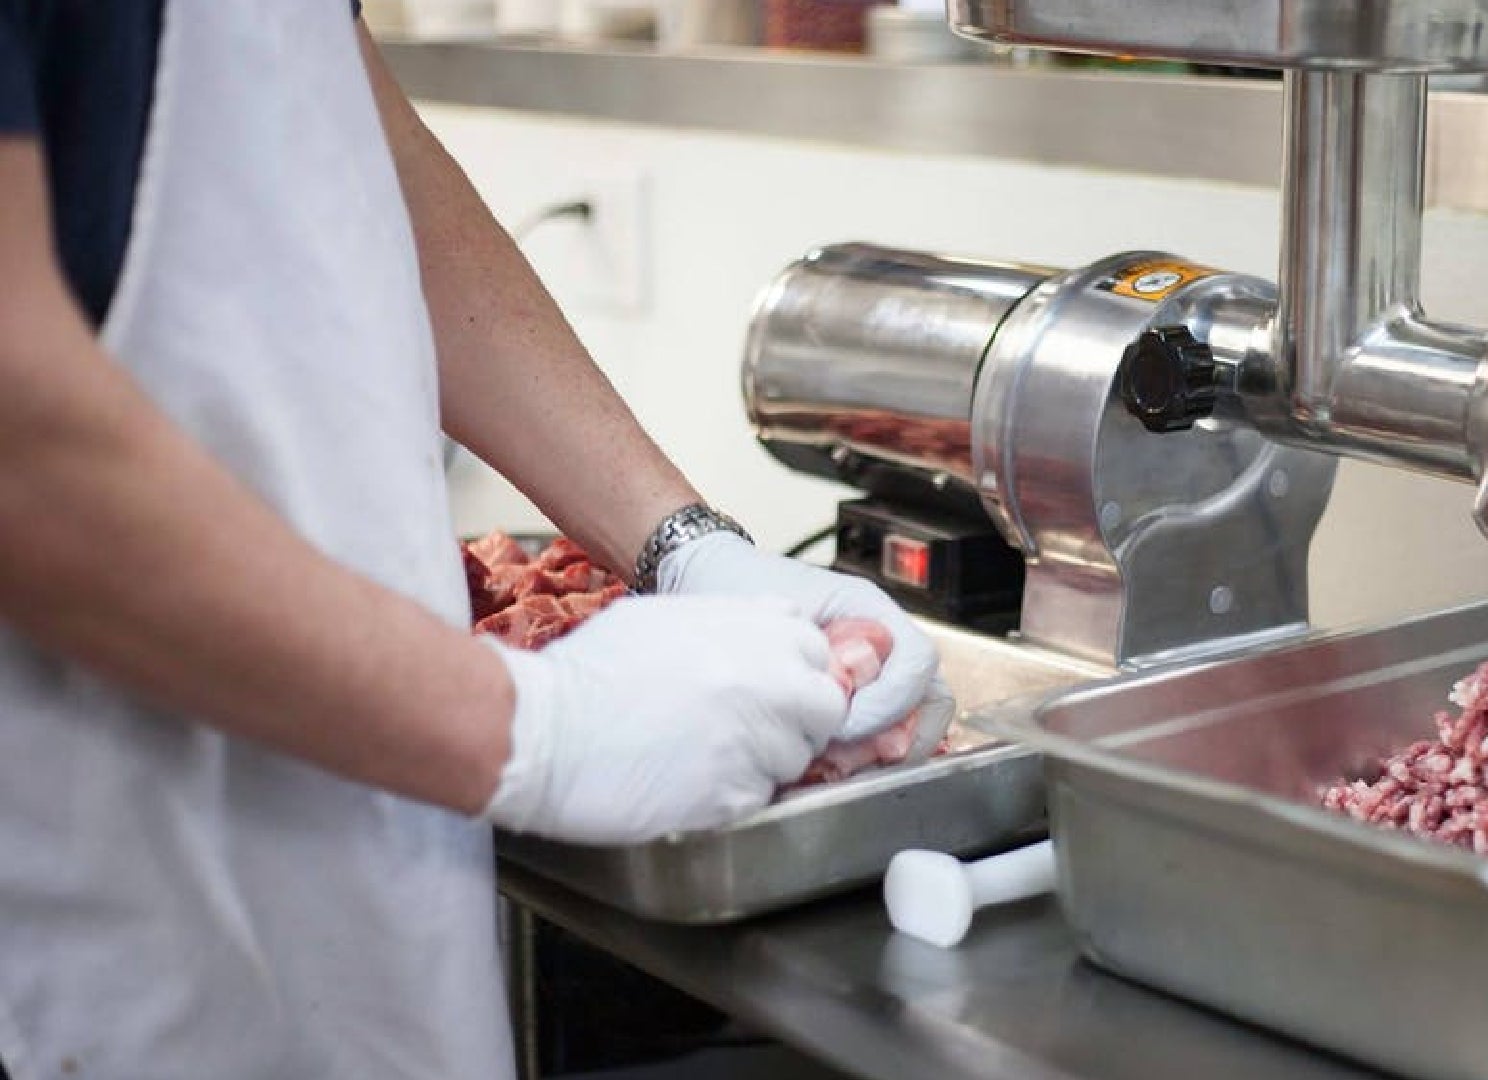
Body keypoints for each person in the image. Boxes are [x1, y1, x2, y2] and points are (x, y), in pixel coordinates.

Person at [0, 3, 954, 1077]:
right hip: (103, 874)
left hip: (362, 814)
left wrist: (685, 548)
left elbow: (351, 146)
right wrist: (532, 728)